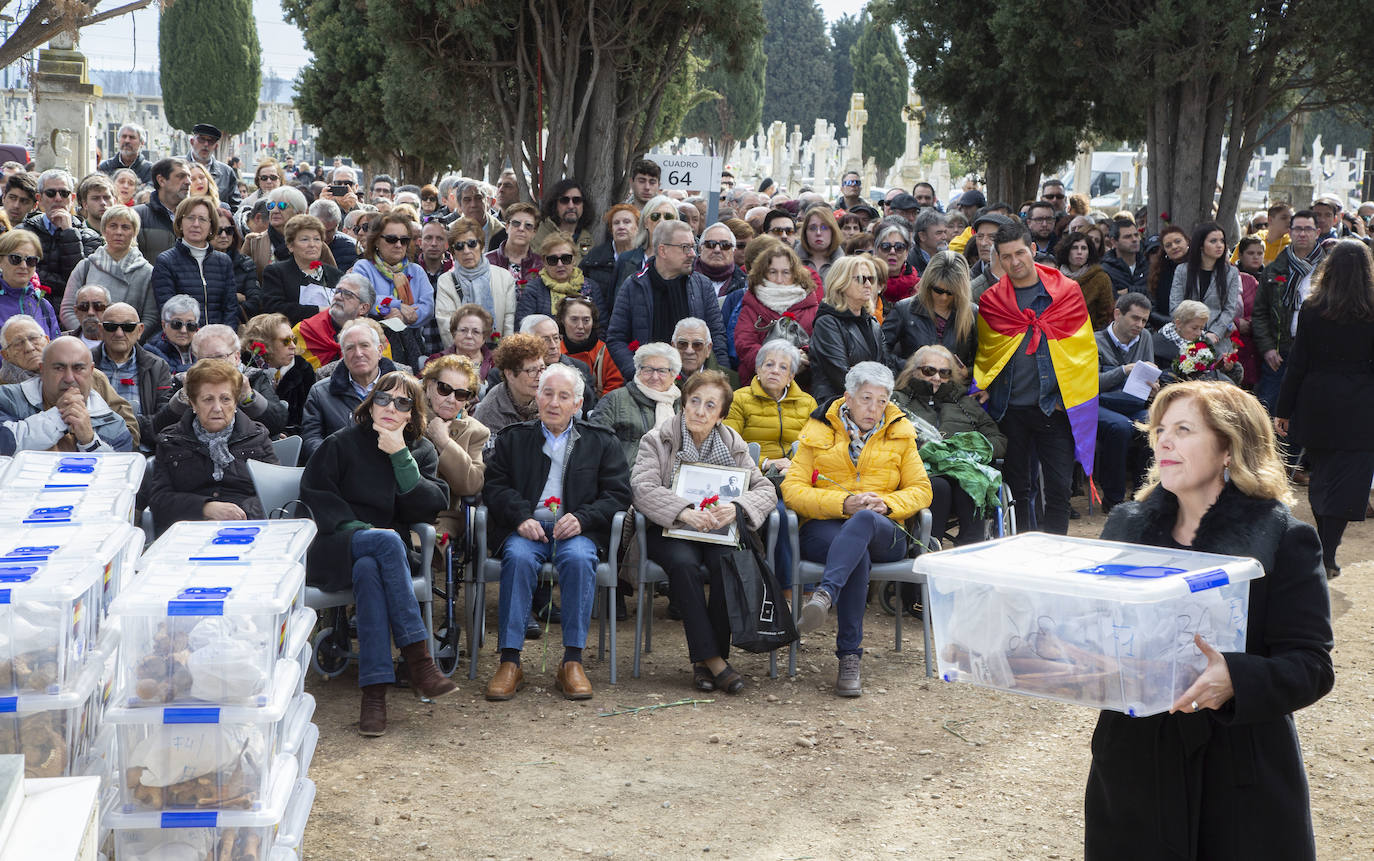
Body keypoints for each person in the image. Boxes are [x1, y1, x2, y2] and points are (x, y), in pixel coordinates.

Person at [1086, 381, 1333, 860]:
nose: (1164, 441)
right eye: (1160, 429)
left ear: (1228, 446)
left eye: (1183, 429)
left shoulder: (1284, 539)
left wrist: (1235, 677)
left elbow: (1311, 665)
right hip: (1135, 761)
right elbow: (1098, 629)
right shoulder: (1128, 529)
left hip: (1239, 768)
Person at [300, 371, 456, 736]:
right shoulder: (341, 443)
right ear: (370, 404)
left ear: (411, 414)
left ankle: (374, 696)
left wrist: (401, 456)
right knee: (384, 542)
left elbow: (430, 505)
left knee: (372, 568)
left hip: (386, 560)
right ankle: (420, 660)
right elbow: (315, 496)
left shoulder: (418, 449)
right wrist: (360, 530)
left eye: (402, 403)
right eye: (384, 398)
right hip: (335, 545)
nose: (390, 407)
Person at [482, 363, 631, 701]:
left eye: (564, 396)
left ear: (577, 404)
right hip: (527, 529)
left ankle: (572, 662)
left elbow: (618, 494)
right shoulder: (514, 438)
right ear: (537, 396)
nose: (554, 402)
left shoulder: (600, 441)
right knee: (518, 558)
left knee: (579, 559)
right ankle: (510, 661)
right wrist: (520, 517)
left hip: (577, 530)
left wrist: (583, 517)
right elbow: (494, 486)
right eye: (547, 393)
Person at [783, 362, 932, 697]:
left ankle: (825, 594)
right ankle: (849, 657)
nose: (874, 408)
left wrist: (886, 504)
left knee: (864, 523)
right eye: (866, 399)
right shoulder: (818, 429)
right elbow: (792, 490)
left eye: (882, 401)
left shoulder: (900, 432)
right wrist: (842, 504)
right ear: (847, 397)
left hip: (884, 529)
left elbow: (922, 489)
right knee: (856, 554)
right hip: (827, 527)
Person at [632, 370, 776, 694]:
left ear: (721, 414)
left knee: (727, 560)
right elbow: (642, 487)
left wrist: (736, 507)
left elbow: (765, 489)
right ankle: (715, 662)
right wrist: (682, 511)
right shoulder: (658, 439)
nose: (700, 410)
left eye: (710, 405)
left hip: (716, 530)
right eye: (694, 401)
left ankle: (705, 665)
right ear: (683, 403)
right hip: (667, 527)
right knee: (683, 565)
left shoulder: (732, 443)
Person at [973, 221, 1098, 535]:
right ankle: (1022, 551)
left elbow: (1083, 353)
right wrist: (982, 385)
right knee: (1018, 488)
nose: (1014, 262)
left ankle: (1054, 552)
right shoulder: (991, 300)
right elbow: (988, 353)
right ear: (998, 260)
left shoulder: (1067, 292)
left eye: (1019, 253)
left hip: (1052, 408)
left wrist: (1061, 400)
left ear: (1032, 250)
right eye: (1006, 257)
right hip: (1009, 409)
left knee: (1058, 488)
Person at [1274, 240, 1374, 579]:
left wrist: (1283, 409)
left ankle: (1325, 550)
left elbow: (1297, 364)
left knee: (1321, 478)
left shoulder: (1314, 307)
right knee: (1350, 483)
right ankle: (1328, 550)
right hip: (1362, 404)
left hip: (1318, 400)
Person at [892, 346, 1005, 546]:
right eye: (929, 371)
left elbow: (997, 439)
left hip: (963, 469)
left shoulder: (966, 404)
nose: (936, 377)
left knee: (971, 485)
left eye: (944, 373)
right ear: (914, 371)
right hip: (919, 472)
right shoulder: (898, 401)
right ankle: (927, 548)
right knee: (938, 487)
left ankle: (971, 551)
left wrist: (972, 449)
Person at [148, 359, 276, 533]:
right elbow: (159, 500)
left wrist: (238, 513)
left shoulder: (257, 436)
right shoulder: (171, 440)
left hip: (246, 528)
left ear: (235, 402)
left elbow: (273, 494)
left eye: (225, 399)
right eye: (208, 399)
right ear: (193, 403)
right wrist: (206, 508)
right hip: (189, 530)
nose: (217, 408)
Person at [606, 220, 729, 377]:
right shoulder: (634, 285)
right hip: (647, 383)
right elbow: (616, 338)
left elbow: (716, 335)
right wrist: (638, 373)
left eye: (693, 247)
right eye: (685, 247)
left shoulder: (702, 285)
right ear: (663, 251)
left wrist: (717, 377)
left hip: (695, 383)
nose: (692, 254)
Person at [0, 336, 133, 453]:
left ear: (91, 370)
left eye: (78, 368)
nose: (69, 378)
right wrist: (59, 417)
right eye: (59, 368)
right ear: (42, 369)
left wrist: (90, 442)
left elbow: (116, 474)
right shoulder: (6, 399)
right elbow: (4, 445)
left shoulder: (113, 423)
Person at [1253, 209, 1324, 413]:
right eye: (1298, 229)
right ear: (1290, 232)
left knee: (1310, 411)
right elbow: (1260, 313)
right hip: (1280, 351)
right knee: (1269, 408)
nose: (1303, 234)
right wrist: (1267, 348)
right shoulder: (1274, 269)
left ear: (1317, 232)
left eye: (1308, 229)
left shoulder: (1329, 270)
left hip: (1316, 352)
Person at [302, 319, 401, 460]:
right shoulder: (321, 392)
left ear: (379, 351)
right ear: (343, 355)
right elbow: (311, 438)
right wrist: (334, 461)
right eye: (350, 348)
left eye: (364, 345)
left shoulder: (402, 389)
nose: (358, 353)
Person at [1094, 293, 1158, 512]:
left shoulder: (1146, 337)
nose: (1139, 325)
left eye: (1143, 320)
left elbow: (1148, 373)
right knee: (1119, 427)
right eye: (1134, 318)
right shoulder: (1094, 341)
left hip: (1133, 404)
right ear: (1117, 314)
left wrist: (1153, 387)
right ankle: (1113, 499)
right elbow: (1091, 383)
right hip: (1100, 404)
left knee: (1155, 424)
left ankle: (1142, 496)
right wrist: (1123, 370)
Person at [350, 211, 435, 368]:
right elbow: (361, 298)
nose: (398, 245)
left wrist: (405, 316)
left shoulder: (416, 270)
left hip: (411, 344)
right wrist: (395, 305)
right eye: (391, 239)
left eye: (404, 240)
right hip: (374, 345)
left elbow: (428, 306)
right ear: (376, 241)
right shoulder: (363, 267)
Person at [420, 354, 488, 543]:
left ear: (467, 399)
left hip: (441, 518)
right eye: (444, 389)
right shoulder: (406, 416)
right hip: (396, 511)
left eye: (460, 394)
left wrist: (444, 442)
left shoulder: (476, 431)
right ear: (429, 386)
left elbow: (471, 485)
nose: (451, 399)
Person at [734, 242, 819, 384]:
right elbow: (744, 344)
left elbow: (819, 342)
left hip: (803, 385)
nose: (779, 279)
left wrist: (804, 355)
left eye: (785, 272)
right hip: (758, 384)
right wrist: (774, 362)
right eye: (773, 272)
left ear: (796, 273)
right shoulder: (751, 304)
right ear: (763, 273)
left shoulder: (811, 305)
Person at [60, 204, 154, 331]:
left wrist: (128, 338)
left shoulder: (147, 271)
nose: (119, 232)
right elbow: (67, 309)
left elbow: (150, 317)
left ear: (134, 232)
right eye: (113, 226)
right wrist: (88, 335)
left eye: (125, 227)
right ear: (104, 230)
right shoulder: (86, 266)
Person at [811, 255, 891, 403]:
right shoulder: (827, 322)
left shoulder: (872, 323)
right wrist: (870, 374)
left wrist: (860, 372)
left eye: (871, 279)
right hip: (836, 403)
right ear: (841, 283)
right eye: (861, 279)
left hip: (872, 402)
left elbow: (886, 369)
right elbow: (842, 376)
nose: (868, 284)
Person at [92, 301, 173, 447]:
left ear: (140, 330)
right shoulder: (84, 363)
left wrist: (128, 426)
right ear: (100, 329)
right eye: (111, 327)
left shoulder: (157, 366)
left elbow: (163, 417)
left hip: (142, 448)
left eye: (128, 327)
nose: (119, 333)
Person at [150, 195, 239, 327]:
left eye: (202, 219)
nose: (196, 224)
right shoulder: (166, 261)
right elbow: (167, 309)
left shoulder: (223, 261)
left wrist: (224, 337)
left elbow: (230, 308)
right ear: (180, 223)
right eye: (190, 218)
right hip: (183, 337)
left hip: (218, 340)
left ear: (211, 226)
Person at [882, 249, 978, 371]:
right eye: (938, 290)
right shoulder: (904, 309)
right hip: (911, 386)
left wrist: (967, 373)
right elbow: (880, 349)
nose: (944, 297)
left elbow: (983, 359)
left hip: (956, 388)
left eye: (951, 293)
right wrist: (910, 367)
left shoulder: (972, 313)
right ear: (928, 285)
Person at [589, 341, 680, 468]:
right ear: (638, 371)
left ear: (673, 375)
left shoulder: (682, 405)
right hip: (625, 479)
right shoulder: (615, 399)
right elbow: (593, 443)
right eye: (648, 370)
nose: (654, 377)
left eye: (662, 371)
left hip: (670, 478)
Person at [20, 169, 102, 306]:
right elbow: (22, 275)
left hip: (72, 309)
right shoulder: (23, 232)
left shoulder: (90, 237)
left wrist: (69, 233)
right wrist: (63, 284)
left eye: (64, 193)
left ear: (72, 199)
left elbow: (82, 279)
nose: (58, 198)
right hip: (31, 306)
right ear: (39, 199)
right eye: (51, 193)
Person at [260, 213, 343, 324]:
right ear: (290, 245)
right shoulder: (276, 272)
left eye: (317, 239)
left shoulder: (335, 275)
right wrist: (318, 310)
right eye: (304, 239)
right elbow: (274, 308)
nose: (312, 244)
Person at [240, 312, 314, 435]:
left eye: (293, 339)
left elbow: (308, 421)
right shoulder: (243, 370)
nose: (293, 346)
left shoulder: (303, 370)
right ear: (265, 343)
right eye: (286, 341)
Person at [293, 273, 385, 371]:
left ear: (363, 308)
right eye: (337, 291)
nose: (338, 297)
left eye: (348, 294)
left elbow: (384, 379)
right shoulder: (303, 331)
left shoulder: (376, 337)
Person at [514, 232, 605, 331]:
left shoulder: (591, 287)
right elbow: (523, 328)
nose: (560, 264)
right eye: (553, 260)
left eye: (566, 258)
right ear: (544, 261)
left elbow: (602, 326)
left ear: (574, 259)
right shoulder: (534, 289)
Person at [243, 186, 337, 280]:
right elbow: (241, 279)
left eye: (282, 206)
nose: (275, 210)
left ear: (298, 213)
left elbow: (333, 279)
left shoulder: (316, 245)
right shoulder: (253, 242)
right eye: (271, 206)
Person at [1170, 222, 1241, 346]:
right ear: (1201, 245)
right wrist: (1193, 330)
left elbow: (1230, 309)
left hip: (1217, 339)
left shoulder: (1231, 273)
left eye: (1222, 241)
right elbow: (1175, 305)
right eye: (1213, 241)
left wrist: (1215, 332)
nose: (1219, 245)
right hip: (1185, 338)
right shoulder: (1182, 270)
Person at [1153, 300, 1241, 384]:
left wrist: (1225, 366)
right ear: (1178, 323)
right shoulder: (1158, 345)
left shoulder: (1205, 341)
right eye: (1194, 328)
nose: (1199, 333)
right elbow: (1161, 379)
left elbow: (1214, 369)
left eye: (1202, 328)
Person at [472, 332, 544, 433]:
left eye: (542, 368)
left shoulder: (550, 396)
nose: (540, 377)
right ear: (510, 375)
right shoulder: (490, 412)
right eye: (531, 370)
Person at [579, 204, 641, 315]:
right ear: (611, 229)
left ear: (637, 227)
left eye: (627, 222)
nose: (621, 226)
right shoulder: (594, 258)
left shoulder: (645, 257)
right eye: (616, 223)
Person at [0, 229, 59, 338]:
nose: (23, 266)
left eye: (31, 260)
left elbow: (55, 349)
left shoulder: (44, 305)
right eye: (15, 259)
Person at [557, 297, 621, 397]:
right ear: (562, 320)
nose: (580, 326)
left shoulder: (605, 352)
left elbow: (615, 388)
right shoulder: (555, 351)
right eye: (574, 319)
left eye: (586, 320)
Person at [429, 303, 495, 397]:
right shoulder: (436, 361)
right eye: (463, 330)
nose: (469, 336)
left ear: (484, 337)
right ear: (453, 333)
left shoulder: (496, 363)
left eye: (475, 332)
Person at [1056, 231, 1114, 331]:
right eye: (1074, 248)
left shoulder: (1100, 278)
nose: (1079, 252)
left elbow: (1106, 314)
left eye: (1084, 248)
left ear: (1089, 253)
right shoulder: (1056, 276)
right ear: (1067, 250)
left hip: (1090, 336)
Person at [532, 178, 595, 258]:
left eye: (577, 200)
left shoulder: (587, 239)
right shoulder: (540, 234)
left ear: (583, 205)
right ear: (555, 204)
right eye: (564, 200)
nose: (571, 206)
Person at [484, 202, 542, 285]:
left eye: (528, 225)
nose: (521, 228)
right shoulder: (486, 262)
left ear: (534, 232)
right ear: (507, 227)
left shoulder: (541, 265)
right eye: (516, 223)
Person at [145, 294, 200, 374]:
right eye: (177, 324)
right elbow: (167, 375)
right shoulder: (151, 350)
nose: (183, 330)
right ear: (164, 325)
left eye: (190, 325)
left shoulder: (205, 346)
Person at [1147, 225, 1189, 329]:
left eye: (1178, 241)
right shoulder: (1159, 271)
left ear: (1187, 241)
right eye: (1168, 245)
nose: (1174, 247)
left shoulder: (1201, 265)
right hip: (1167, 327)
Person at [1101, 215, 1149, 297]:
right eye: (1127, 237)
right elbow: (1111, 299)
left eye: (1136, 235)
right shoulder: (1105, 270)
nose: (1134, 240)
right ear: (1114, 242)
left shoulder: (1148, 265)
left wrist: (1129, 291)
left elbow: (1154, 295)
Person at [874, 222, 918, 305]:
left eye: (899, 247)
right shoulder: (866, 283)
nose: (892, 252)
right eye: (885, 247)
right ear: (876, 251)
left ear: (907, 252)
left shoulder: (919, 287)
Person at [797, 206, 844, 280]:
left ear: (833, 231)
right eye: (812, 228)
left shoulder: (845, 266)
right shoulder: (792, 263)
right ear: (805, 233)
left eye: (824, 228)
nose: (818, 233)